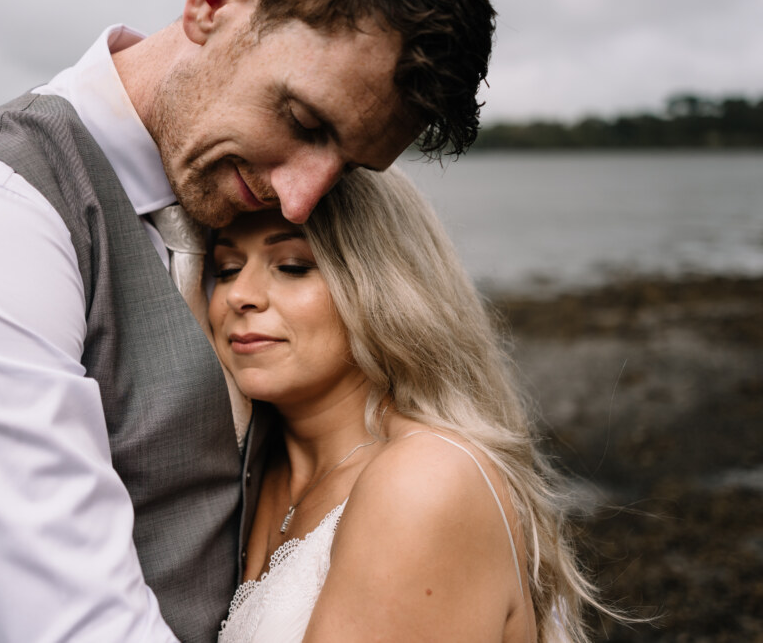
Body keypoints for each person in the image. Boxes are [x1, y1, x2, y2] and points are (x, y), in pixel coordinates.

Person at [0, 0, 495, 641]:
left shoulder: (236, 185)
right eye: (305, 121)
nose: (304, 196)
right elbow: (77, 626)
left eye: (348, 166)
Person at [210, 168, 612, 642]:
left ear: (382, 284)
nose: (239, 295)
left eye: (293, 266)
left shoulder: (426, 480)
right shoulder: (251, 464)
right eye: (226, 269)